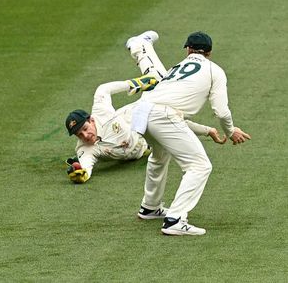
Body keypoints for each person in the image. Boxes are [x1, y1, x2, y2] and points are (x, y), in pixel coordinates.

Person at [65, 32, 226, 193]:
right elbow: (86, 168)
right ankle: (139, 44)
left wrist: (136, 83)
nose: (85, 136)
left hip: (139, 112)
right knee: (161, 86)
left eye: (85, 129)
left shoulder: (101, 113)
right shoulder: (85, 149)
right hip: (145, 139)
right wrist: (81, 174)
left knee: (158, 80)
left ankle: (139, 45)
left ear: (91, 120)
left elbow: (102, 90)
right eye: (79, 134)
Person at [127, 31, 251, 235]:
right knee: (200, 166)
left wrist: (206, 130)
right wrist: (230, 131)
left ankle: (150, 207)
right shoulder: (215, 71)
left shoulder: (175, 68)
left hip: (141, 111)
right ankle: (175, 219)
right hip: (162, 115)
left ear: (188, 49)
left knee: (159, 156)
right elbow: (220, 111)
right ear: (209, 52)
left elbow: (169, 112)